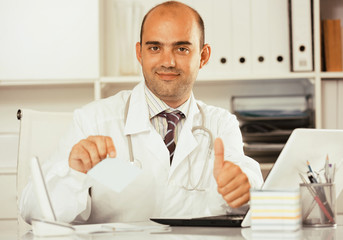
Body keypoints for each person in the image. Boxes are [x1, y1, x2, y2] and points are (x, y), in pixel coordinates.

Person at [20, 1, 263, 224]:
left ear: (204, 56)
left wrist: (243, 188)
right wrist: (74, 175)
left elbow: (246, 190)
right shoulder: (93, 120)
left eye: (181, 49)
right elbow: (35, 212)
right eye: (155, 47)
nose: (167, 61)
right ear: (140, 53)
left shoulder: (221, 125)